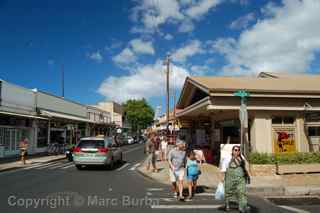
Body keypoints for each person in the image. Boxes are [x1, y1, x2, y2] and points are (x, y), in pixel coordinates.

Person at [221, 145, 251, 213]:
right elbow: (223, 169)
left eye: (238, 150)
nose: (237, 151)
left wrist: (248, 176)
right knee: (228, 192)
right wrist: (222, 179)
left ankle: (242, 208)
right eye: (235, 150)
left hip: (241, 178)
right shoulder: (227, 158)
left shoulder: (242, 157)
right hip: (230, 179)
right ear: (232, 151)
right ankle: (227, 205)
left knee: (242, 192)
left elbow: (245, 167)